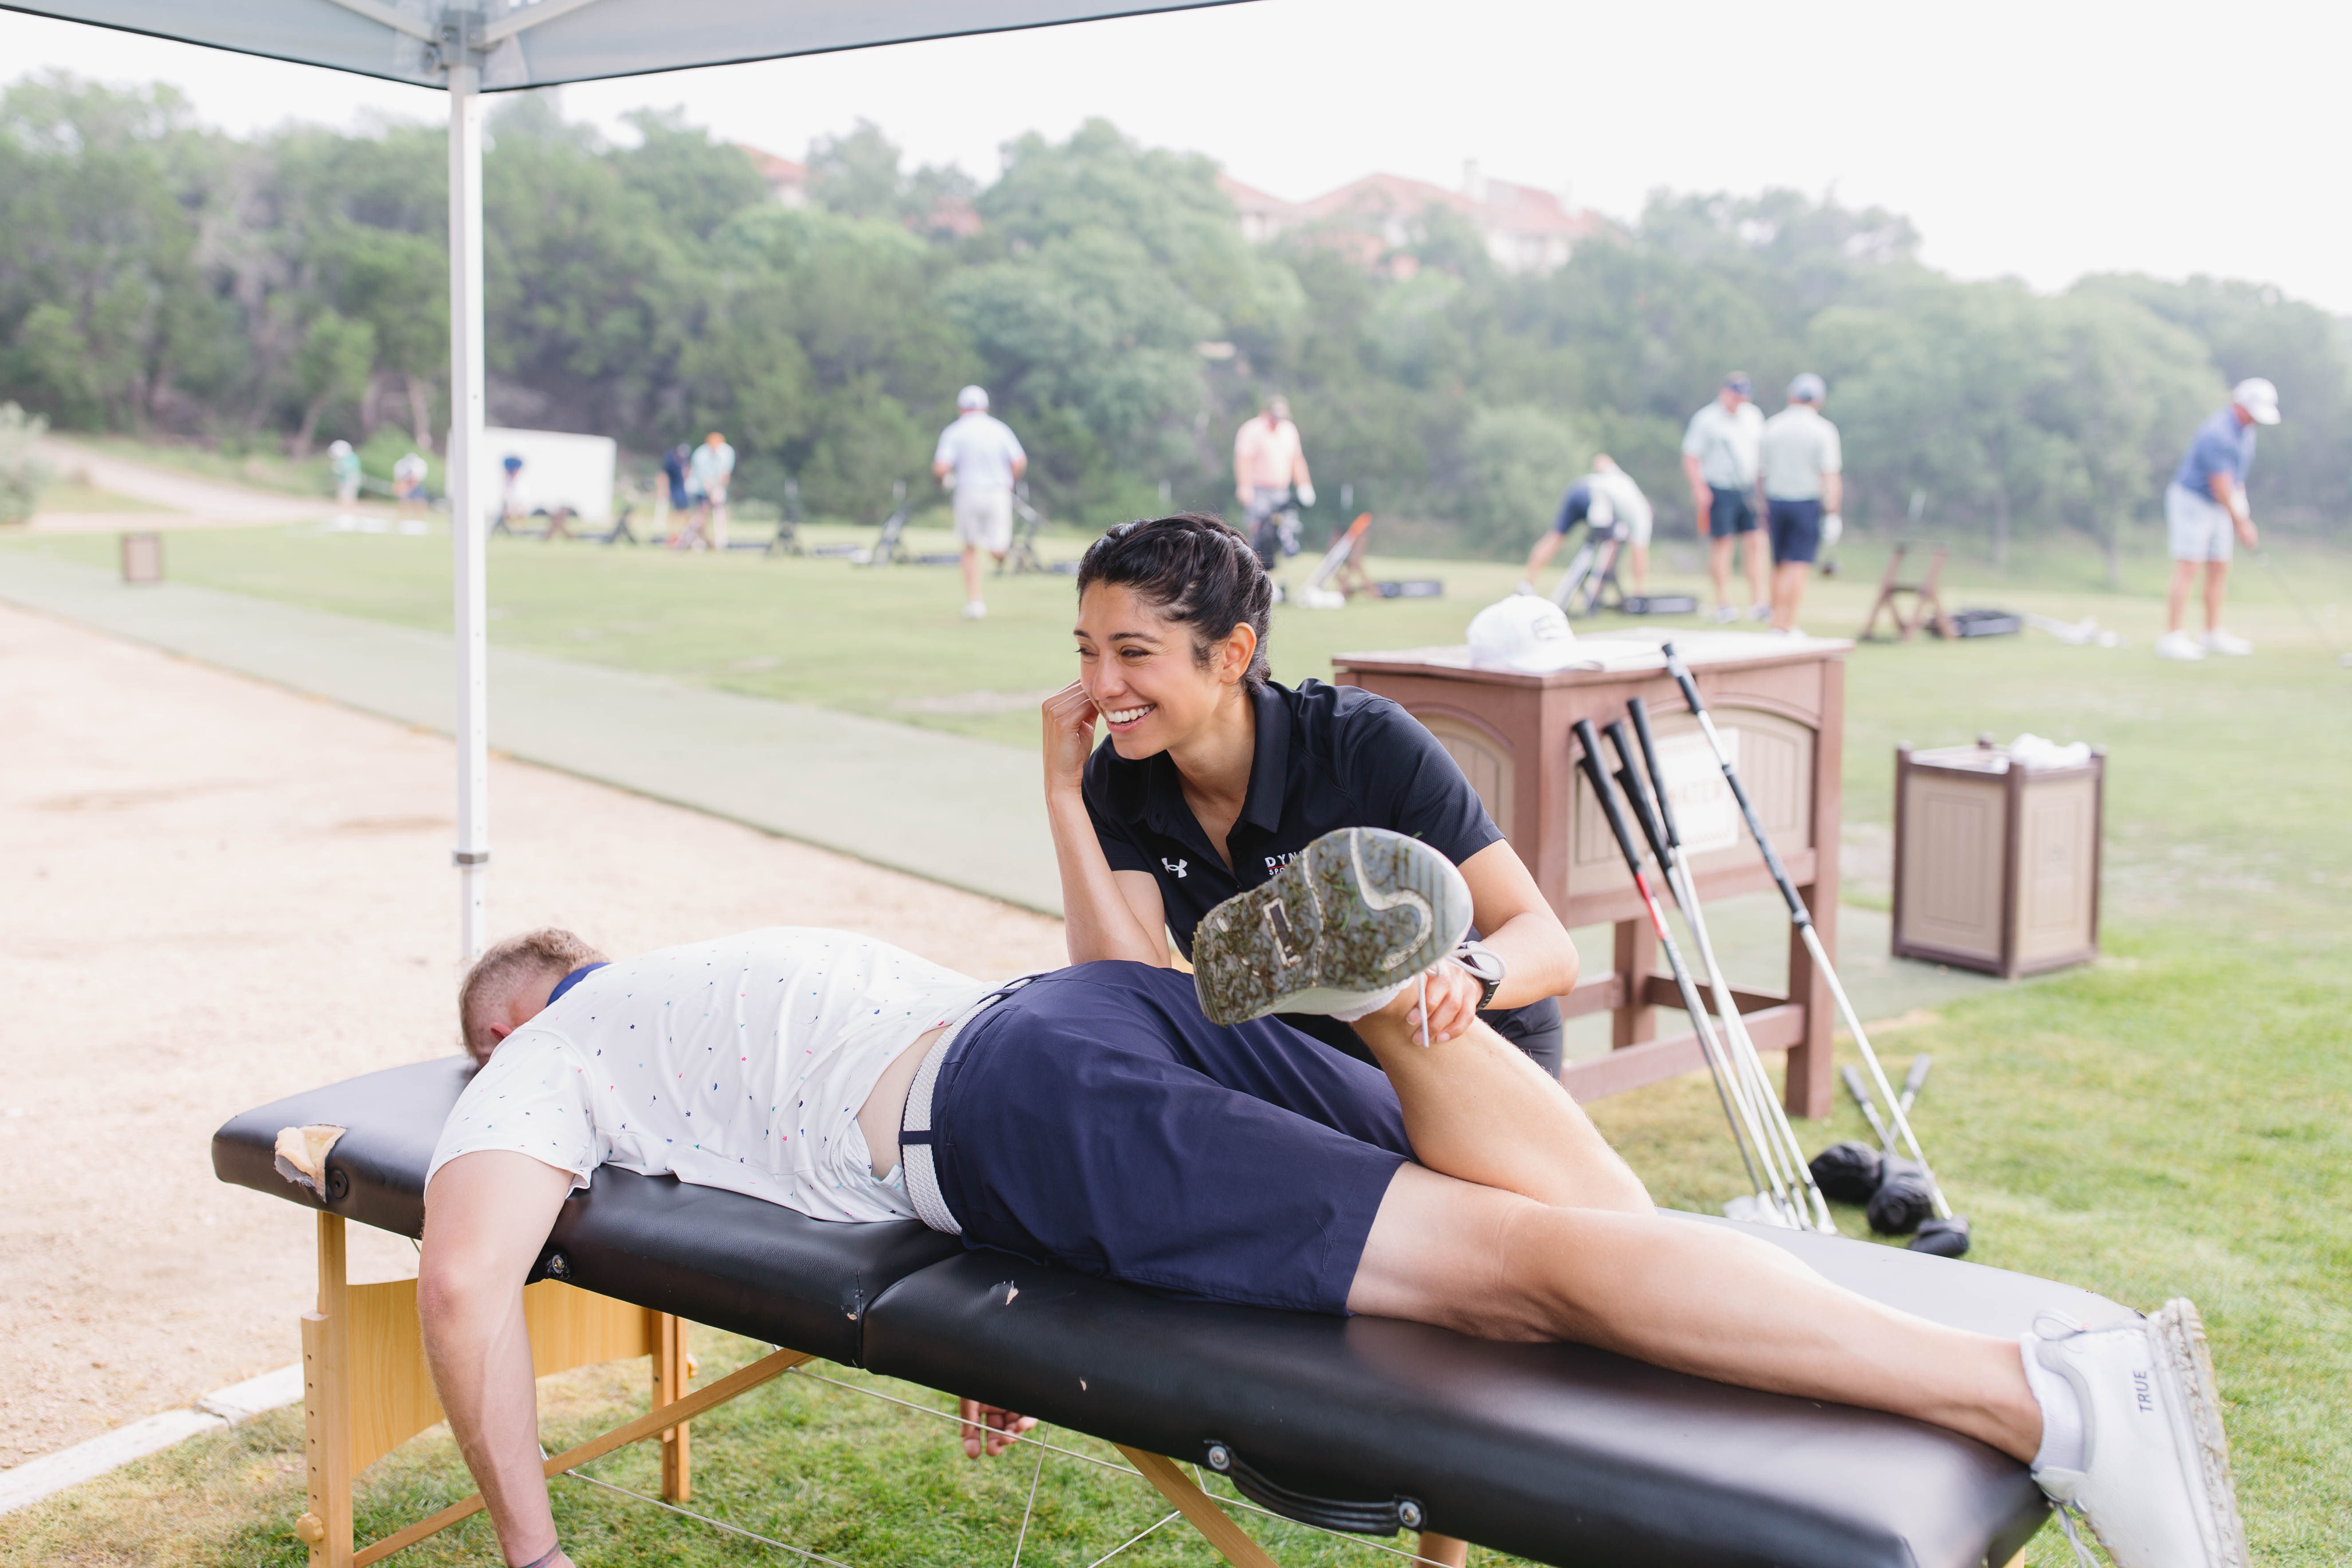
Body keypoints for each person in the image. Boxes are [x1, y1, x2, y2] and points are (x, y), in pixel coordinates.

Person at [419, 893, 2246, 1568]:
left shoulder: (543, 1060)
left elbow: (461, 1277)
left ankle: (2041, 1389)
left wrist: (525, 1543)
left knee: (1511, 1281)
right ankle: (1393, 1002)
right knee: (1549, 1220)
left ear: (516, 1017)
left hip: (1009, 1116)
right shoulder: (748, 952)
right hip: (1088, 1016)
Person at [1042, 513, 1574, 1077]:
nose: (1101, 686)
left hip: (1458, 1045)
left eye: (1133, 653)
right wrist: (1063, 795)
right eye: (1087, 651)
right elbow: (1130, 986)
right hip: (1308, 1067)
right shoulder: (1119, 777)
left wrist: (1468, 977)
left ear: (1232, 654)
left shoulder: (1361, 743)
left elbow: (1549, 945)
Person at [2157, 378, 2278, 662]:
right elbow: (2221, 485)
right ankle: (2172, 637)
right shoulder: (2219, 433)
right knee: (2189, 565)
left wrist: (2243, 516)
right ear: (2239, 405)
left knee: (2220, 565)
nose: (2256, 421)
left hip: (2218, 504)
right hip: (2193, 500)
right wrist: (2242, 523)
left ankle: (2212, 634)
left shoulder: (2247, 431)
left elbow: (2236, 481)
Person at [1756, 373, 1843, 635]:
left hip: (1776, 502)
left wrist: (1761, 506)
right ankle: (1788, 623)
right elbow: (1830, 476)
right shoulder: (1823, 430)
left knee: (1780, 564)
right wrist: (1833, 513)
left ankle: (1776, 623)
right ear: (1818, 400)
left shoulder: (1772, 426)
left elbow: (1761, 474)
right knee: (1798, 565)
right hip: (1806, 503)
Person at [932, 386, 1027, 620]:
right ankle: (1003, 555)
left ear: (961, 407)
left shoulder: (954, 431)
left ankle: (976, 602)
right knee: (997, 550)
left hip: (968, 493)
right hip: (998, 493)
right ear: (984, 406)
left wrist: (944, 481)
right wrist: (1010, 484)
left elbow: (941, 468)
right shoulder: (1000, 429)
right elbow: (1019, 461)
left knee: (969, 547)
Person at [1681, 373, 1768, 623]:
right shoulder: (1706, 419)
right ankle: (1723, 603)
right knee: (1723, 545)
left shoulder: (1753, 416)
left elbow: (1759, 455)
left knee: (1756, 543)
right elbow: (1691, 456)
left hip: (1748, 488)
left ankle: (1759, 602)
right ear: (1724, 392)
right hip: (1719, 487)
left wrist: (1761, 490)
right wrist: (1699, 489)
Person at [1519, 454, 1655, 597]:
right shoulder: (1642, 516)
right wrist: (1640, 593)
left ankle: (1527, 584)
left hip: (1578, 489)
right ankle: (1595, 593)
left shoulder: (1626, 483)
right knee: (1610, 543)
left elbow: (1602, 460)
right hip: (1595, 499)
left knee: (1555, 537)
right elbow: (1639, 555)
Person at [1233, 395, 1314, 584]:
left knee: (1283, 536)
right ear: (1266, 412)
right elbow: (1243, 459)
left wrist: (1305, 485)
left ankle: (1275, 583)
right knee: (1261, 536)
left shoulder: (1289, 431)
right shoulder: (1252, 429)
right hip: (1259, 491)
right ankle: (1253, 580)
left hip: (1281, 492)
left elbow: (1297, 460)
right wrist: (1244, 486)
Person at [689, 431, 735, 552]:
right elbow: (703, 478)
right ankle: (698, 541)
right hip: (700, 487)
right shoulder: (700, 455)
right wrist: (710, 493)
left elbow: (725, 474)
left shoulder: (727, 452)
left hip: (718, 487)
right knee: (701, 514)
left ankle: (722, 542)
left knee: (721, 512)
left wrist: (719, 490)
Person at [392, 450, 429, 534]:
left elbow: (419, 477)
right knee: (404, 501)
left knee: (420, 502)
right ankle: (403, 521)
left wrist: (413, 483)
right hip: (405, 484)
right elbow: (399, 478)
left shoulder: (420, 465)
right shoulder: (401, 465)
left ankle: (420, 521)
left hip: (417, 484)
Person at [328, 439, 363, 529]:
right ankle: (345, 515)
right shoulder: (344, 459)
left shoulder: (351, 459)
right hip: (345, 482)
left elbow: (350, 472)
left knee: (348, 498)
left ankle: (349, 516)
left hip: (350, 482)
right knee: (344, 498)